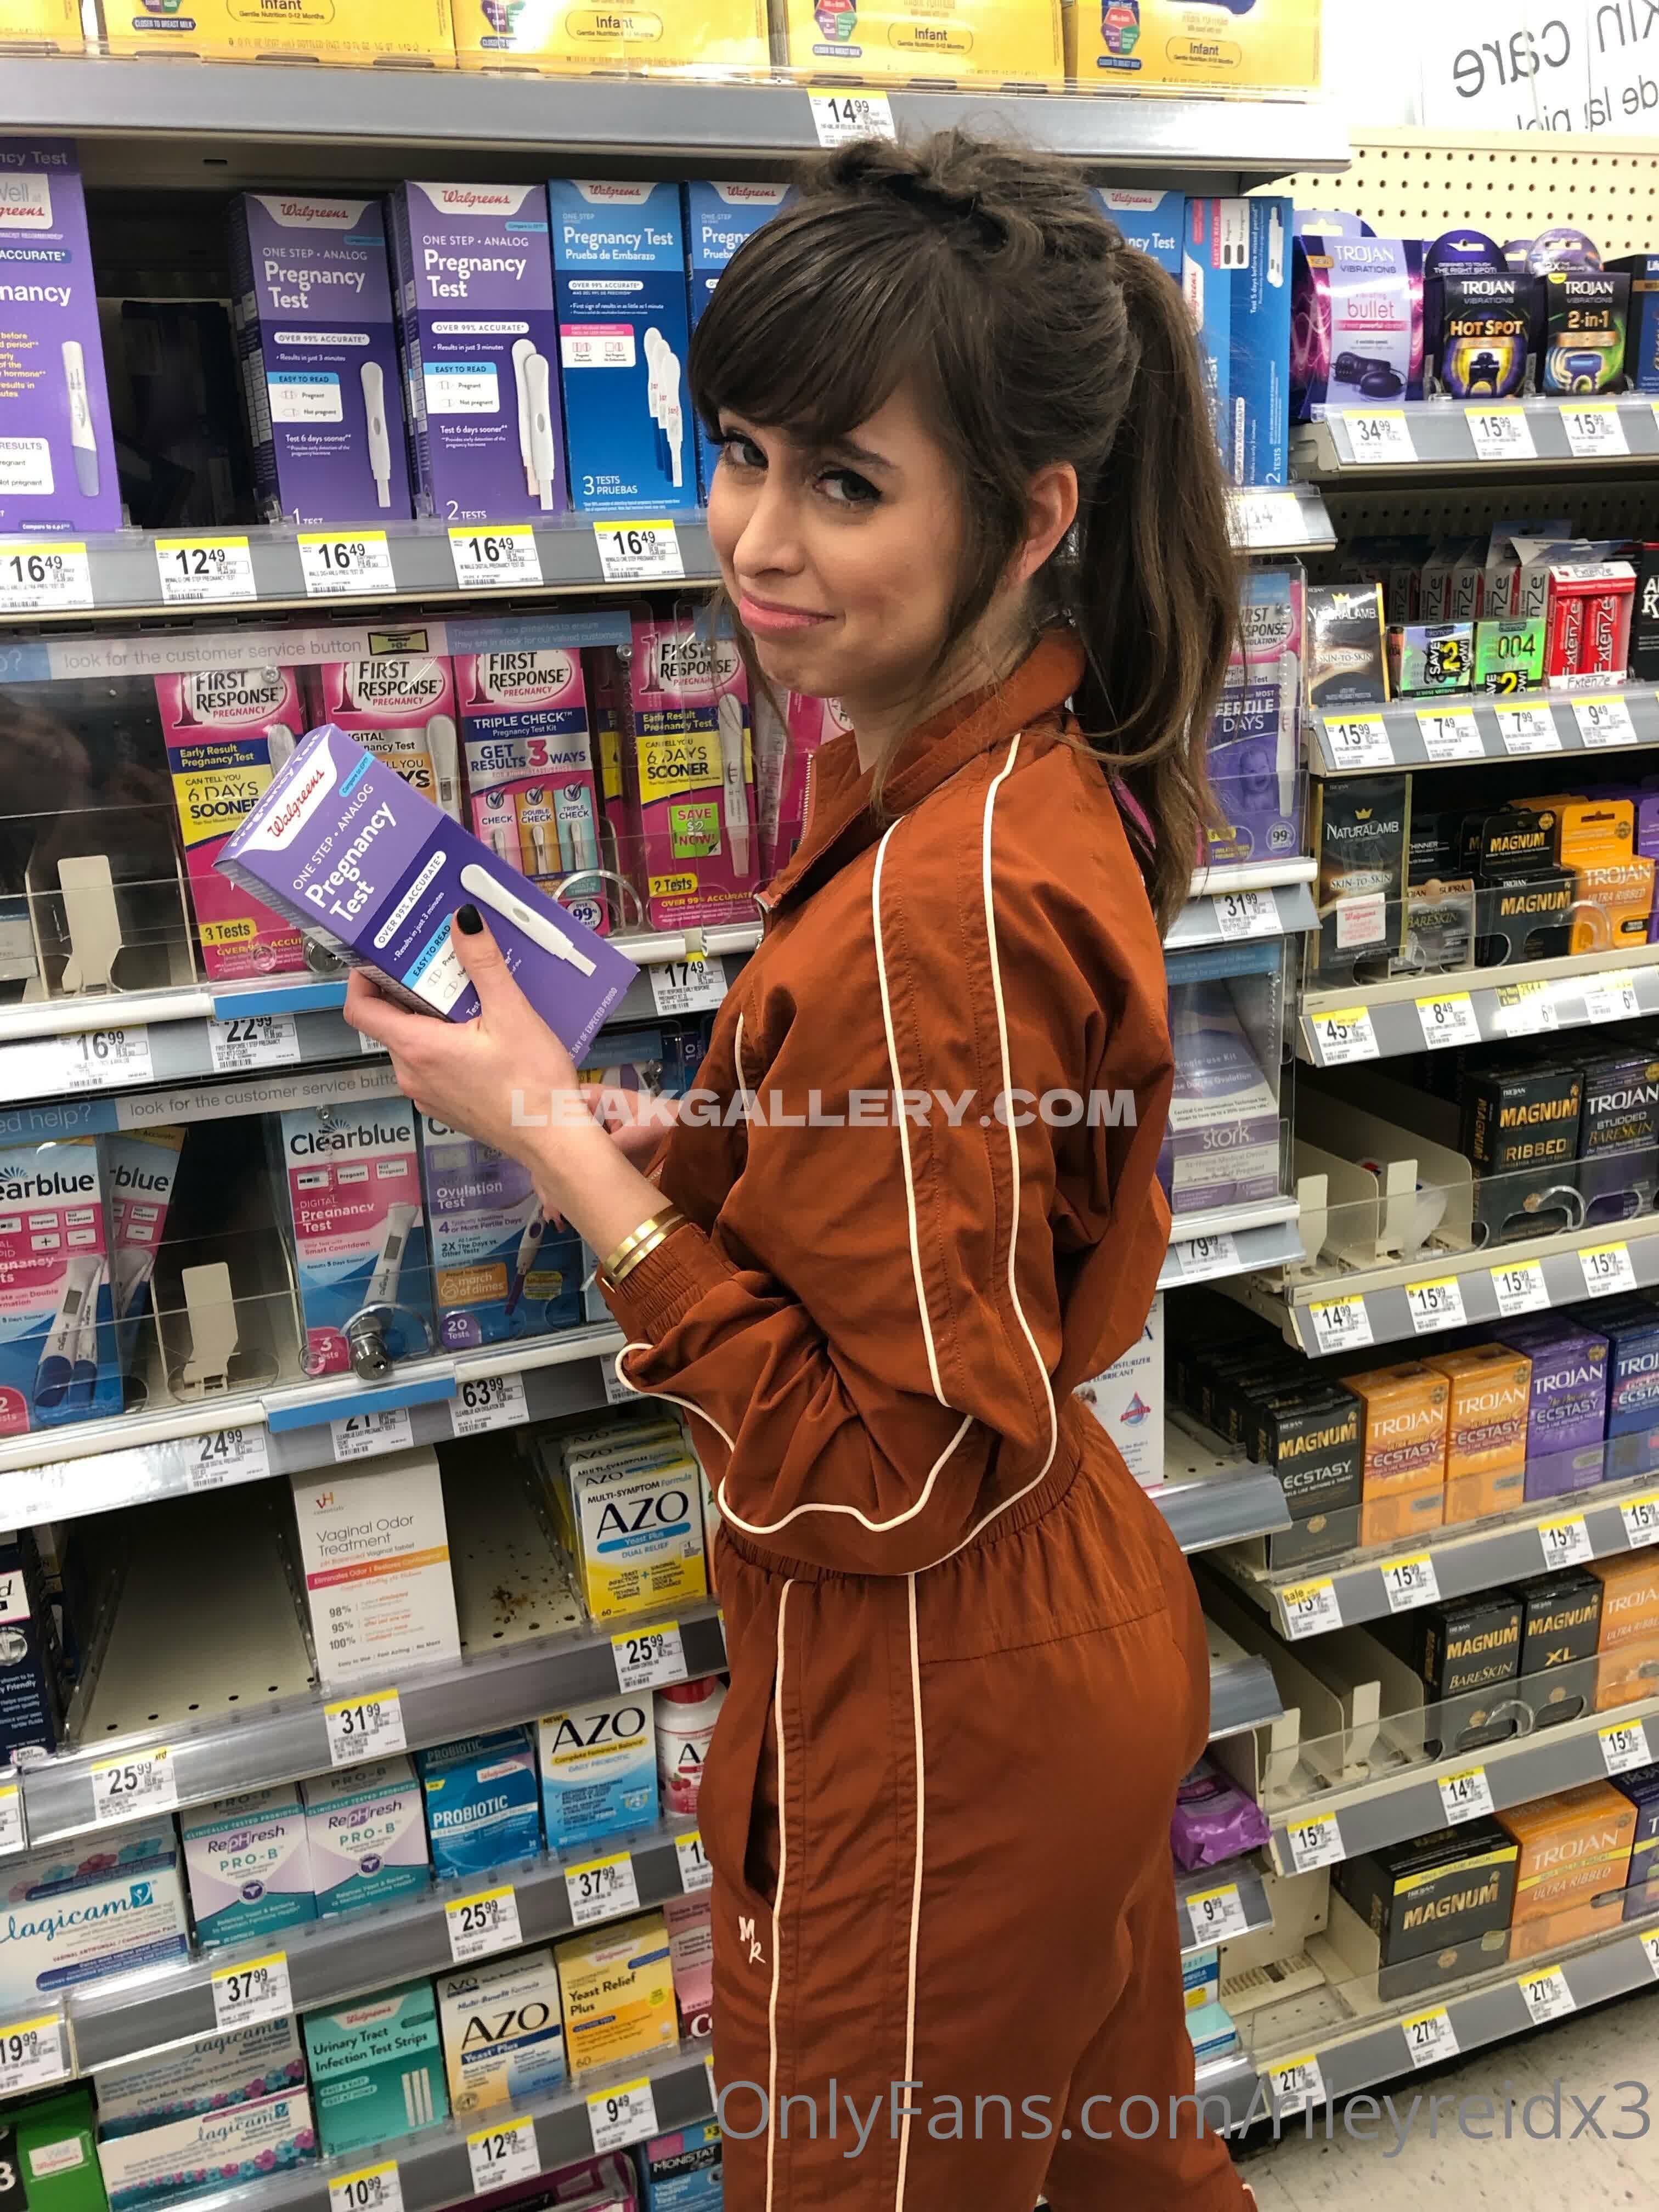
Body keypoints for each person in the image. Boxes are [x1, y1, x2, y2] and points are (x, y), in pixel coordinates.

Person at [346, 130, 1250, 2211]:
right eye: (741, 453)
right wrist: (725, 1149)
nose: (754, 539)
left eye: (846, 483)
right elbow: (993, 1176)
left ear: (1031, 517)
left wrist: (552, 1136)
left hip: (944, 1701)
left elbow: (885, 1476)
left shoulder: (940, 893)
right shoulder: (1007, 768)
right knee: (1128, 2181)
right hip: (1064, 1613)